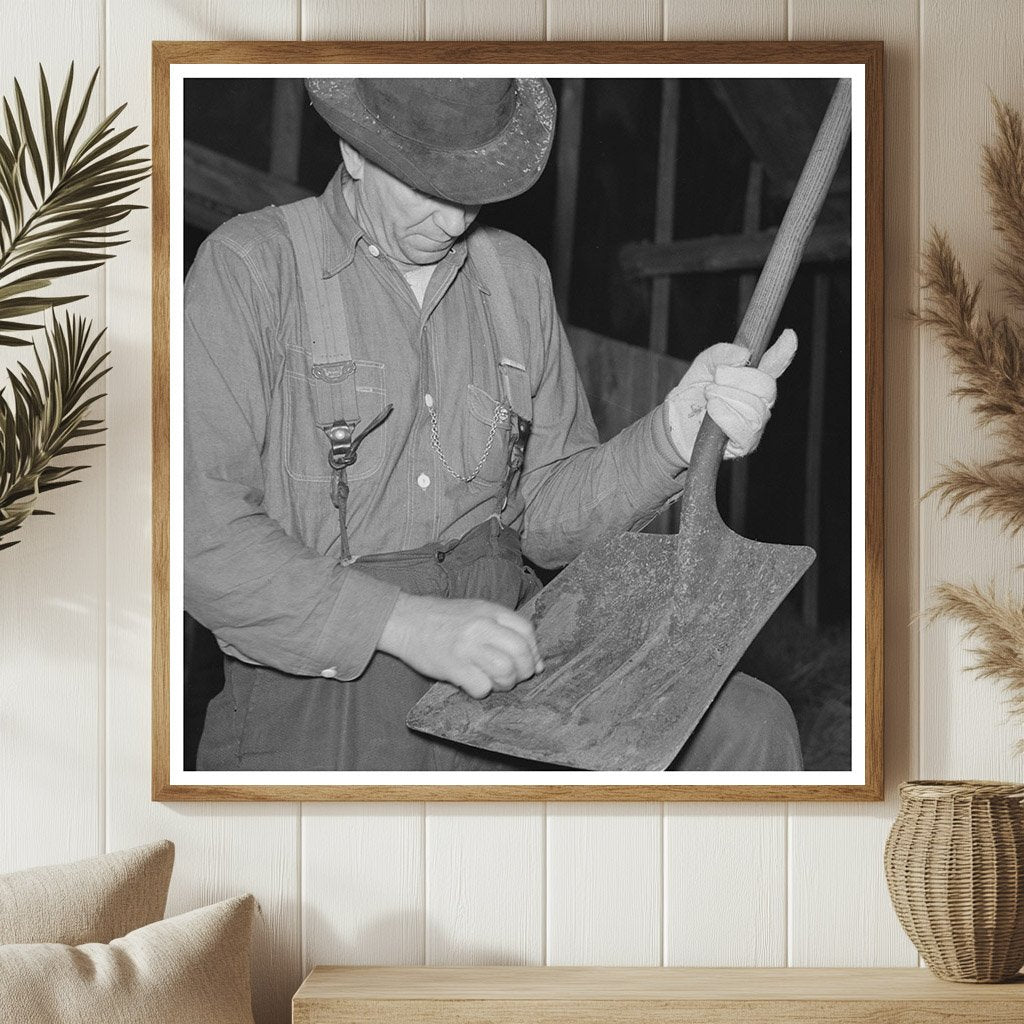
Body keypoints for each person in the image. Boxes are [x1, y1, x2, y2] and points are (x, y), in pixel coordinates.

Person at [185, 77, 804, 772]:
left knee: (750, 727)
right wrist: (400, 622)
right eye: (427, 186)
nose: (454, 221)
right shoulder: (252, 267)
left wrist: (672, 437)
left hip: (500, 650)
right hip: (323, 676)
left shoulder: (515, 277)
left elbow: (545, 516)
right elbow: (200, 535)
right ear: (352, 152)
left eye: (472, 189)